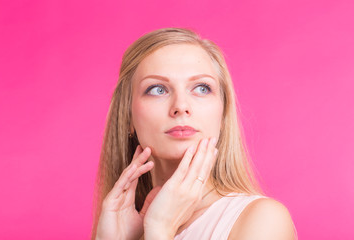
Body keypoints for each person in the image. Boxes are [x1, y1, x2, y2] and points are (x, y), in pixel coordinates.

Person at [91, 27, 297, 240]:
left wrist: (160, 230)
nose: (181, 106)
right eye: (157, 89)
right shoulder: (126, 227)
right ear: (128, 118)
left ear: (223, 115)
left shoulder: (263, 220)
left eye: (201, 88)